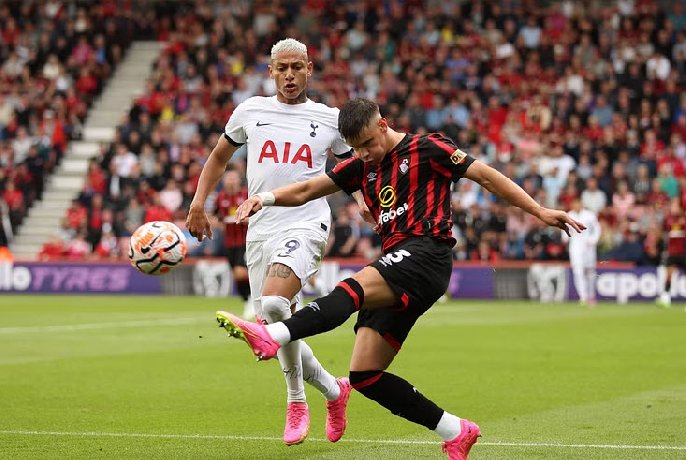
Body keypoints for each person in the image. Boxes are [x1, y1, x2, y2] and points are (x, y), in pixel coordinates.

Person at [220, 98, 586, 459]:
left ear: (382, 124)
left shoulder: (428, 149)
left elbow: (486, 176)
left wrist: (539, 210)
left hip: (427, 253)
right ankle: (455, 431)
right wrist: (263, 199)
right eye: (355, 149)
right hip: (398, 261)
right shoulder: (363, 168)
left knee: (351, 289)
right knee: (365, 375)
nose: (363, 154)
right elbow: (306, 189)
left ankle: (271, 336)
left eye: (367, 144)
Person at [186, 38, 364, 445]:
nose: (289, 75)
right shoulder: (251, 111)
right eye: (281, 68)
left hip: (307, 223)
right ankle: (335, 392)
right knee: (278, 324)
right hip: (260, 228)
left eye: (296, 67)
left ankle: (296, 400)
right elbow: (218, 156)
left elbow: (353, 165)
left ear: (309, 68)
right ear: (270, 72)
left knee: (271, 305)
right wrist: (199, 203)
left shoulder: (330, 118)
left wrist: (362, 201)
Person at [214, 169, 252, 318]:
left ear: (238, 180)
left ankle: (252, 300)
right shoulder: (220, 197)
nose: (230, 181)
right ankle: (246, 300)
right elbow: (216, 217)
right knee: (236, 275)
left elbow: (258, 213)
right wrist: (218, 223)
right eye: (228, 178)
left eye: (233, 178)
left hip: (245, 240)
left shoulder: (246, 195)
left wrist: (249, 220)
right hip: (229, 242)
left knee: (240, 272)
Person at [562, 198, 601, 305]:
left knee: (590, 271)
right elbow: (565, 230)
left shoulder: (590, 215)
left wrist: (593, 240)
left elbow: (597, 229)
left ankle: (591, 295)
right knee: (578, 271)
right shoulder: (569, 215)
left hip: (588, 247)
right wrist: (565, 237)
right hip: (575, 247)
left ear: (581, 204)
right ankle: (583, 297)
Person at [657, 198, 686, 308]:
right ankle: (665, 297)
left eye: (674, 205)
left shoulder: (683, 219)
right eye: (671, 205)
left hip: (683, 252)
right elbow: (663, 231)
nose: (672, 208)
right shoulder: (668, 219)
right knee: (668, 275)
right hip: (672, 252)